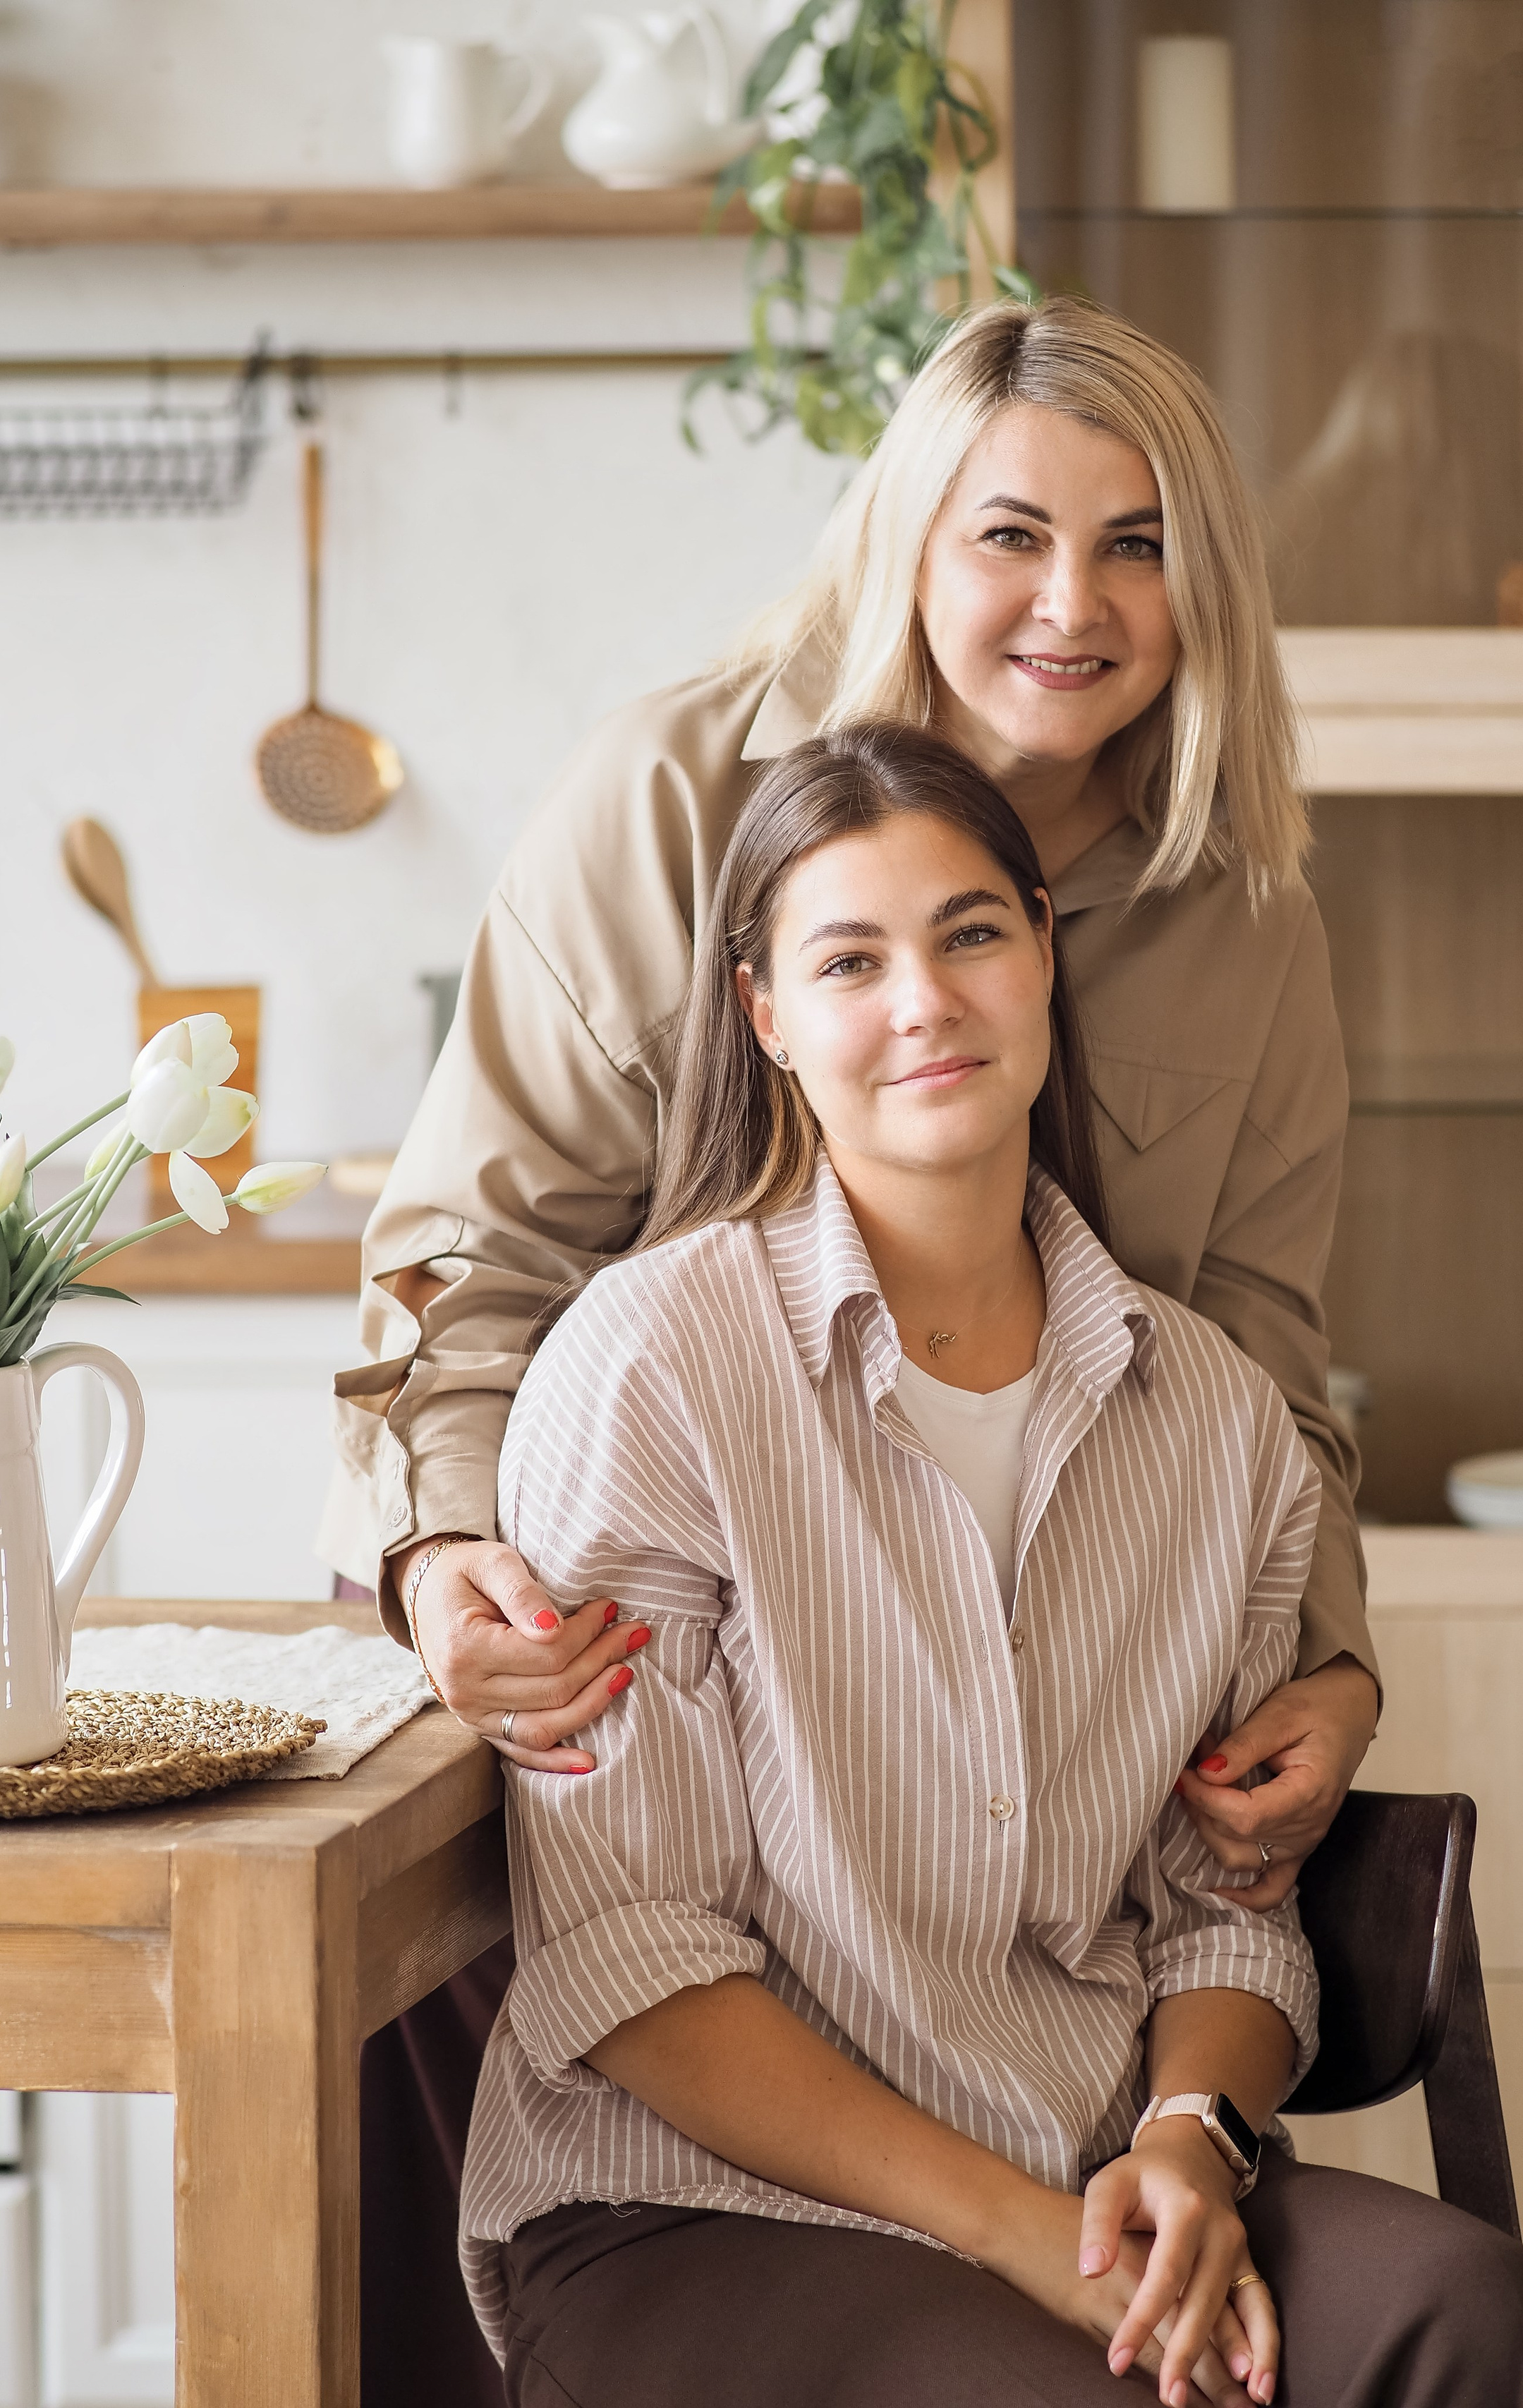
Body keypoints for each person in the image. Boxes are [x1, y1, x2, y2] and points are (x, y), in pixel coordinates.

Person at [333, 296, 1381, 2400]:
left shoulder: (1244, 916)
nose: (1072, 604)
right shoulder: (665, 805)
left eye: (1141, 543)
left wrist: (1326, 1662)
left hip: (1062, 1880)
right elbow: (471, 1261)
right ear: (906, 535)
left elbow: (1261, 1366)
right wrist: (447, 1562)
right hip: (696, 1774)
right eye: (1011, 533)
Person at [460, 722, 1523, 2408]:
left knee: (1461, 2312)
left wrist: (1189, 2138)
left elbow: (1223, 1918)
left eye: (968, 934)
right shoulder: (649, 1363)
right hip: (701, 2212)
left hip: (1103, 2168)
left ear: (1042, 949)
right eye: (847, 960)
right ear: (764, 1018)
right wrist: (1020, 2231)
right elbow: (629, 1957)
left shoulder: (1212, 1416)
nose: (923, 1003)